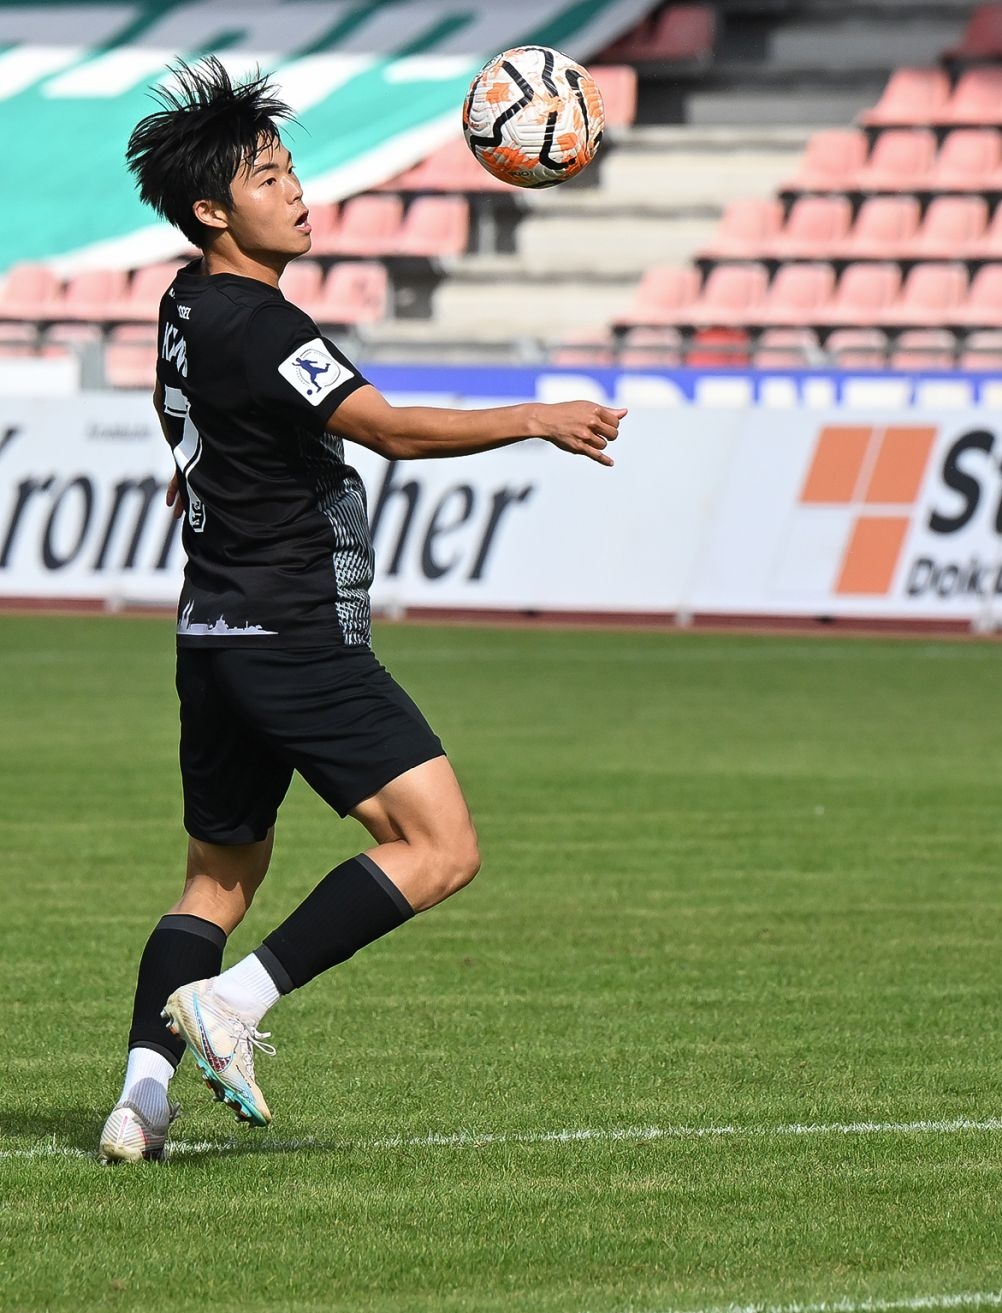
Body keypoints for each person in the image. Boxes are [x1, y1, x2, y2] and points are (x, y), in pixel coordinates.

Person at [98, 57, 628, 1164]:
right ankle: (234, 1002)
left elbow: (169, 396)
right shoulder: (263, 326)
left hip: (212, 636)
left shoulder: (183, 302)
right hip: (297, 636)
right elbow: (384, 427)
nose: (297, 190)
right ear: (213, 211)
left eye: (292, 168)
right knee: (440, 846)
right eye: (269, 177)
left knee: (216, 879)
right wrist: (536, 416)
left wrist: (196, 465)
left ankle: (139, 1102)